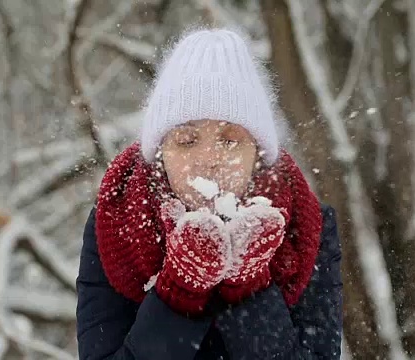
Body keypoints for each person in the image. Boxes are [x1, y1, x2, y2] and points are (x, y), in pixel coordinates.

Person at [76, 28, 343, 360]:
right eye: (187, 141)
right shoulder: (117, 223)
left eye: (230, 140)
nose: (209, 160)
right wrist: (179, 291)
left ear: (257, 155)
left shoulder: (305, 228)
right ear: (160, 153)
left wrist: (250, 289)